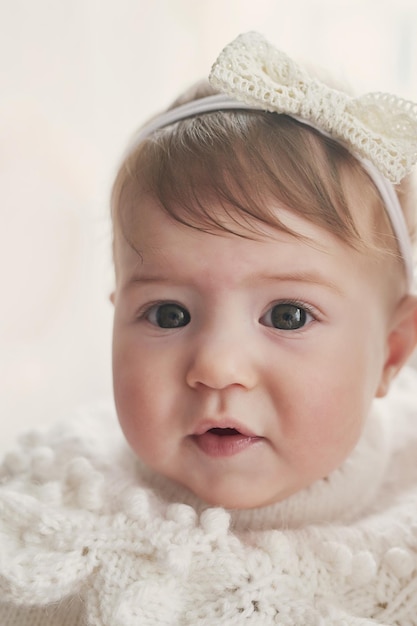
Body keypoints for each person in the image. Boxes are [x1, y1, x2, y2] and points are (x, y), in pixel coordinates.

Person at [1, 31, 417, 625]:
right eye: (169, 314)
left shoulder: (402, 544)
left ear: (391, 352)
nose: (217, 365)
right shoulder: (54, 518)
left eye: (287, 315)